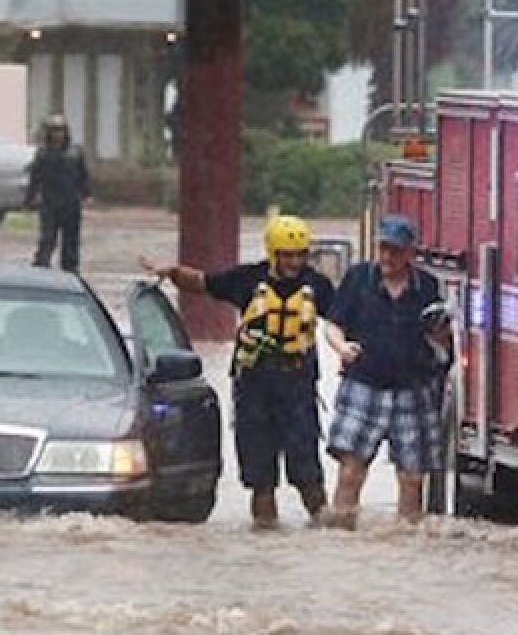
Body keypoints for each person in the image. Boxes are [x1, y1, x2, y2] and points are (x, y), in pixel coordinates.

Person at [140, 215, 335, 529]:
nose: (295, 261)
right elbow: (203, 283)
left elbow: (341, 320)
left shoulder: (317, 286)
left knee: (307, 471)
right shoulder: (247, 279)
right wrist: (173, 272)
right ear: (274, 252)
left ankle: (324, 528)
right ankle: (265, 534)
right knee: (260, 476)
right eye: (288, 254)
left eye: (300, 254)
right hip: (254, 388)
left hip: (297, 387)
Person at [323, 214, 451, 529]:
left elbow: (442, 340)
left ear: (410, 253)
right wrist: (341, 348)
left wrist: (441, 337)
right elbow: (332, 325)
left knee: (411, 478)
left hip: (414, 389)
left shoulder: (428, 288)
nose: (386, 257)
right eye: (382, 249)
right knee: (351, 471)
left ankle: (406, 540)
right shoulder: (357, 279)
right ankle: (341, 536)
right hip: (363, 385)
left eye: (394, 251)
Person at [25, 114, 90, 273]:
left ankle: (70, 269)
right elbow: (35, 178)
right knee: (47, 238)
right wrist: (31, 197)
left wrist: (86, 194)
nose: (57, 135)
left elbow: (83, 176)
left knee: (71, 240)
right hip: (50, 203)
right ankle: (41, 266)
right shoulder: (42, 154)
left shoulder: (75, 153)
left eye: (60, 131)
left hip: (71, 203)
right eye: (54, 131)